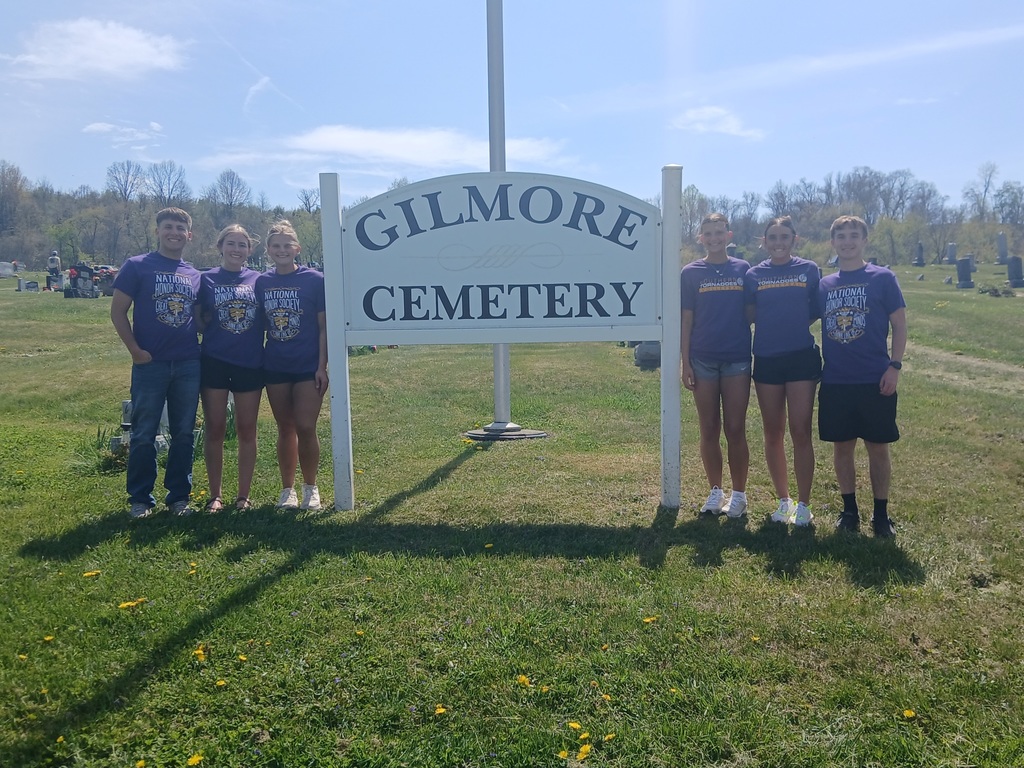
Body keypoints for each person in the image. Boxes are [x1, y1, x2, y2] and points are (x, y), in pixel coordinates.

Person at [819, 215, 907, 537]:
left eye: (853, 235)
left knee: (878, 447)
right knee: (842, 448)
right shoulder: (825, 285)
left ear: (864, 239)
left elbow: (899, 324)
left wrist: (894, 366)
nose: (847, 241)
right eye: (840, 236)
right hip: (836, 381)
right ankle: (849, 511)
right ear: (833, 243)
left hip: (874, 378)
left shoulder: (883, 278)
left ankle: (881, 516)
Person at [110, 207, 201, 518]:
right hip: (150, 364)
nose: (174, 232)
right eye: (168, 227)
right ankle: (140, 499)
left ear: (189, 235)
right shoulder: (137, 266)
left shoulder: (193, 275)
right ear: (158, 231)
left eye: (180, 228)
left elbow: (199, 319)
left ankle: (179, 498)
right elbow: (118, 312)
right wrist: (135, 350)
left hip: (188, 362)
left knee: (184, 433)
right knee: (144, 432)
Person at [744, 216, 822, 527]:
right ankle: (783, 500)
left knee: (800, 431)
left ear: (794, 239)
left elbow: (814, 310)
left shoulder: (809, 269)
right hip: (766, 359)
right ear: (764, 241)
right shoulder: (753, 275)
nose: (778, 242)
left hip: (801, 358)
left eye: (784, 237)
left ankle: (804, 504)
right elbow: (750, 313)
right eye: (772, 237)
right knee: (772, 432)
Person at [680, 213, 751, 518]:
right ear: (701, 238)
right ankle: (715, 490)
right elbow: (686, 320)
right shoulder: (690, 273)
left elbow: (750, 313)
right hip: (703, 359)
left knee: (735, 429)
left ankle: (739, 494)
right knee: (709, 428)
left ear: (729, 235)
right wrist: (685, 362)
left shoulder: (743, 270)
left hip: (736, 359)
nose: (714, 238)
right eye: (708, 233)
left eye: (719, 232)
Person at [256, 220, 328, 511]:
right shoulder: (262, 282)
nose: (282, 250)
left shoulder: (314, 280)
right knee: (285, 428)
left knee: (306, 426)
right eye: (276, 246)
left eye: (287, 245)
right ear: (268, 251)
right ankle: (288, 491)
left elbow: (324, 327)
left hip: (307, 365)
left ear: (297, 249)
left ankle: (311, 487)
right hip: (275, 364)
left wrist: (322, 365)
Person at [198, 225, 264, 513]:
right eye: (231, 244)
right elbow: (198, 320)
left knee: (246, 429)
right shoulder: (205, 279)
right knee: (215, 428)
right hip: (214, 360)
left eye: (242, 245)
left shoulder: (259, 281)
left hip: (249, 362)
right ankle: (215, 495)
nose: (236, 249)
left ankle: (243, 496)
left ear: (249, 250)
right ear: (220, 246)